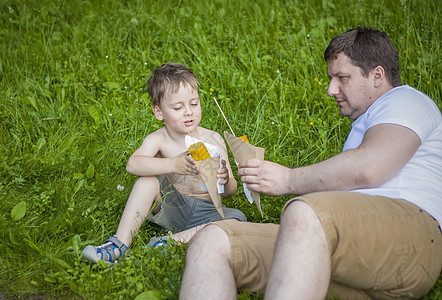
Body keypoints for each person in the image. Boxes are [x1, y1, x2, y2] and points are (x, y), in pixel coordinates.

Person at [179, 27, 442, 299]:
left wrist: (288, 180)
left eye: (342, 78)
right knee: (212, 241)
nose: (331, 89)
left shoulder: (406, 100)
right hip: (355, 262)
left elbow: (369, 167)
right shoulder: (365, 126)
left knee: (305, 212)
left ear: (377, 75)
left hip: (408, 238)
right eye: (331, 78)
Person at [82, 62, 246, 264]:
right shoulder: (159, 138)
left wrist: (226, 180)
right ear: (159, 112)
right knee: (147, 180)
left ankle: (169, 243)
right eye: (178, 107)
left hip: (209, 212)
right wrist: (173, 165)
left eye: (194, 103)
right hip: (172, 206)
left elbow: (230, 192)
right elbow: (133, 164)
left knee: (237, 219)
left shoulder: (214, 139)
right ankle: (120, 244)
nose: (188, 112)